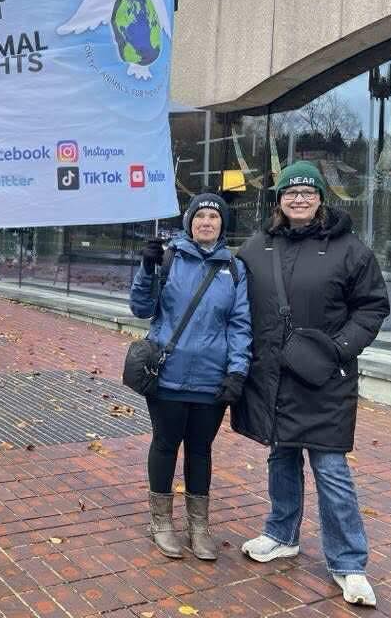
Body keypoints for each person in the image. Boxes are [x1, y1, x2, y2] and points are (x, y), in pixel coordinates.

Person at [232, 162, 389, 608]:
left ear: (320, 198)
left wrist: (339, 349)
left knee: (330, 468)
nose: (298, 199)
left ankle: (349, 562)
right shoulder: (257, 247)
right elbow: (230, 297)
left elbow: (372, 306)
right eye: (290, 192)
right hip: (273, 378)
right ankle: (282, 533)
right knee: (281, 456)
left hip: (324, 380)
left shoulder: (349, 249)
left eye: (307, 192)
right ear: (279, 199)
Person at [129, 193, 251, 561]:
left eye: (214, 216)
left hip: (211, 379)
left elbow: (240, 325)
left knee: (200, 451)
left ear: (222, 224)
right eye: (200, 216)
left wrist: (237, 371)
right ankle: (161, 522)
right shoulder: (169, 259)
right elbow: (141, 308)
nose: (206, 222)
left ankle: (199, 527)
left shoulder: (235, 268)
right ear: (189, 223)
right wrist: (146, 269)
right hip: (168, 373)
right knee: (166, 445)